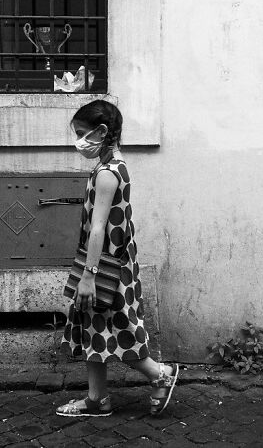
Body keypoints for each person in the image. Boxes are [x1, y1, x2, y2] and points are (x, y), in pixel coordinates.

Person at [56, 99, 178, 417]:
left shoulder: (107, 174)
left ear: (102, 132)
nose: (79, 141)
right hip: (110, 264)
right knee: (94, 327)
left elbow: (98, 228)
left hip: (106, 268)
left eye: (83, 133)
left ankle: (160, 374)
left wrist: (88, 275)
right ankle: (97, 399)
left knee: (120, 330)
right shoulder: (111, 166)